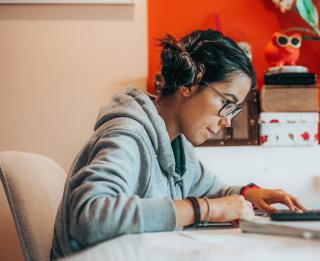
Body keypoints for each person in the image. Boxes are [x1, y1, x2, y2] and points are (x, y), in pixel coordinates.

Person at [51, 29, 305, 259]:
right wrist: (206, 209)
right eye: (226, 103)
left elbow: (212, 191)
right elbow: (90, 217)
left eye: (233, 111)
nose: (227, 122)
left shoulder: (178, 147)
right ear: (189, 84)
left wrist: (249, 193)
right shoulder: (127, 136)